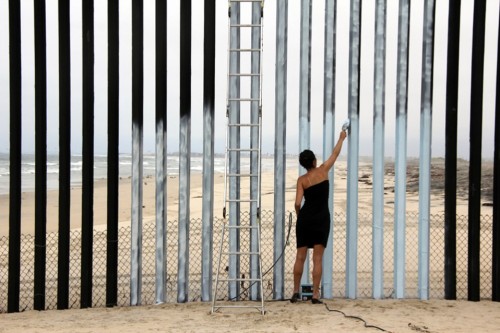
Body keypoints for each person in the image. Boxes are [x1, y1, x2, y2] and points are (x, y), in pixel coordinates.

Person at [290, 130, 347, 304]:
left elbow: (298, 203)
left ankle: (295, 292)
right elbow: (335, 154)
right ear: (314, 161)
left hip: (305, 220)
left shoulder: (302, 180)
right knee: (317, 258)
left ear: (303, 164)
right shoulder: (323, 170)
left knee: (300, 256)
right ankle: (315, 295)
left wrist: (300, 217)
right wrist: (341, 138)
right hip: (322, 219)